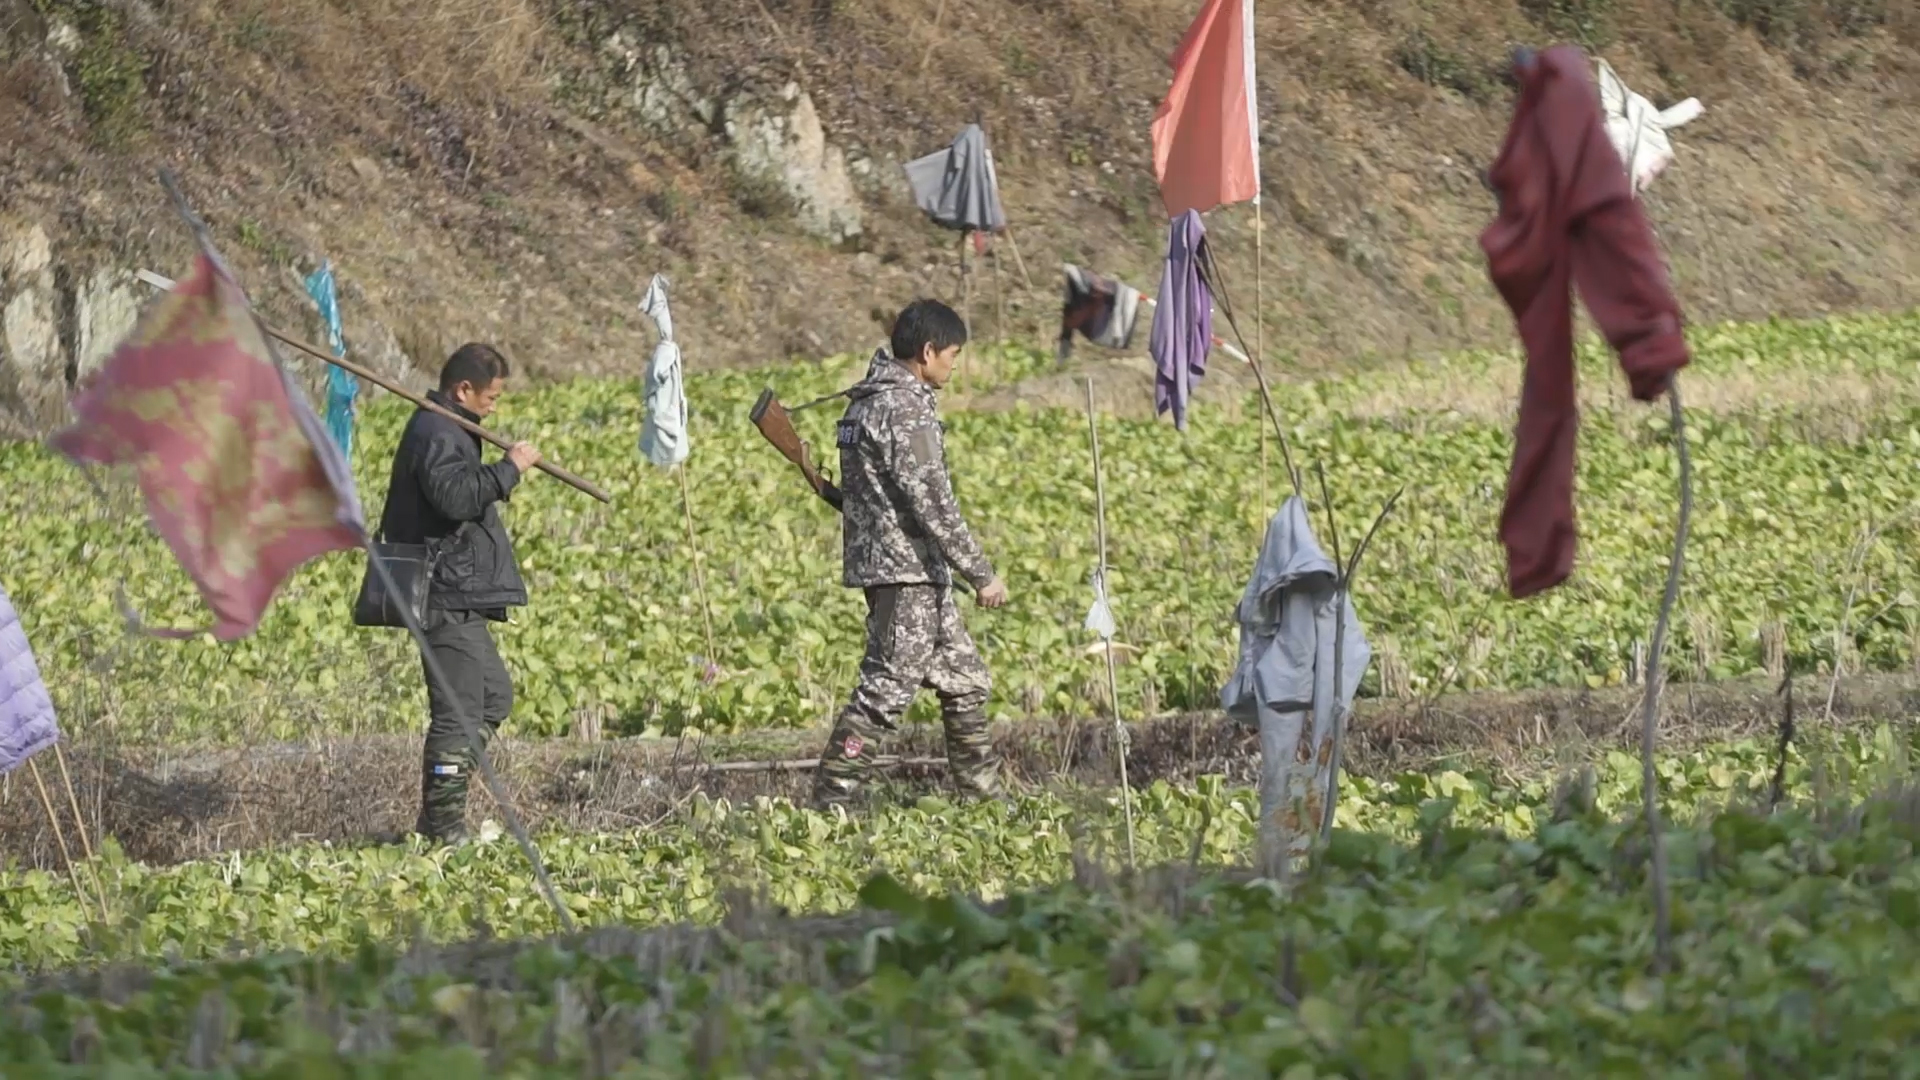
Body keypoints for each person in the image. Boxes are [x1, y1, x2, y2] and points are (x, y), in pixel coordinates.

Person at [813, 299, 1011, 807]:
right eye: (953, 354)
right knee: (884, 692)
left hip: (908, 572)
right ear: (928, 352)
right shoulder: (904, 409)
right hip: (906, 576)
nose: (954, 364)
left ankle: (985, 798)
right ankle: (831, 797)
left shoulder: (862, 404)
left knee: (966, 681)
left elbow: (868, 492)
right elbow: (933, 501)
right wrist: (982, 574)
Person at [376, 343, 542, 843]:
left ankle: (437, 813)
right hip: (440, 592)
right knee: (458, 713)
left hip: (457, 591)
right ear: (462, 390)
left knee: (493, 697)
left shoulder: (451, 429)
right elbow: (454, 498)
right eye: (490, 397)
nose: (494, 407)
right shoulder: (436, 431)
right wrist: (509, 468)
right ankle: (445, 829)